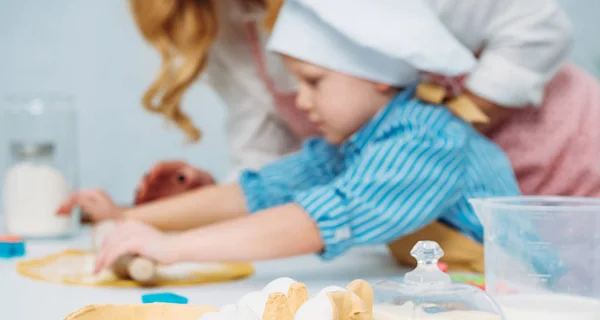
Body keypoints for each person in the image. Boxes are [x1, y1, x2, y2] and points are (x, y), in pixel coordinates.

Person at [90, 0, 521, 273]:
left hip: (513, 296)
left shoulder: (427, 140)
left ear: (379, 79)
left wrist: (173, 249)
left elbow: (319, 220)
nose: (301, 101)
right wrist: (127, 219)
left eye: (314, 82)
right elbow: (258, 192)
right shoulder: (353, 143)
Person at [121, 0, 600, 205]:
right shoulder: (219, 23)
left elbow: (539, 25)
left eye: (315, 81)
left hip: (571, 165)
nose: (304, 100)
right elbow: (272, 159)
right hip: (462, 223)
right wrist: (208, 199)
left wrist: (428, 139)